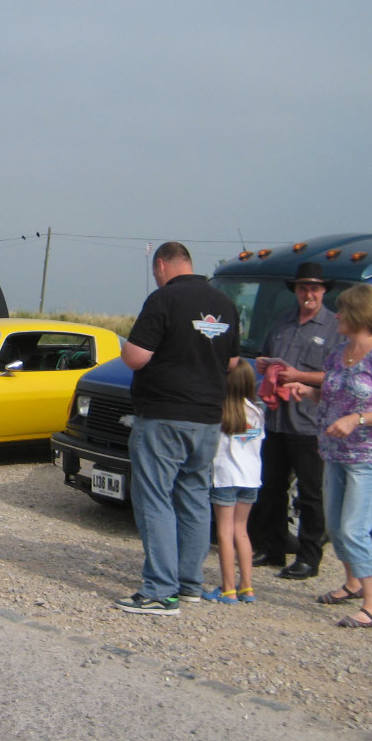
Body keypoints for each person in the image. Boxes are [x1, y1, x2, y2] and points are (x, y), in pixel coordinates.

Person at [115, 242, 241, 616]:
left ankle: (158, 590)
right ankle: (189, 584)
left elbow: (136, 357)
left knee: (154, 499)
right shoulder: (224, 303)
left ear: (161, 266)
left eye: (156, 272)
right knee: (194, 498)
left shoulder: (163, 300)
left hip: (164, 415)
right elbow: (233, 360)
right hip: (207, 419)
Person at [287, 284, 372, 628]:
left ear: (361, 314)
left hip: (371, 455)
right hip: (335, 452)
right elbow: (333, 398)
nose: (336, 316)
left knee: (355, 528)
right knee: (336, 526)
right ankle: (353, 583)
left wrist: (357, 419)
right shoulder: (338, 354)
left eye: (342, 311)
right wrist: (308, 392)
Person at [250, 262, 345, 580]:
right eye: (303, 287)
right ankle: (272, 548)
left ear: (323, 292)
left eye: (314, 288)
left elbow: (336, 376)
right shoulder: (282, 322)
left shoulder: (334, 327)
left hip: (309, 423)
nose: (308, 293)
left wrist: (298, 375)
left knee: (310, 493)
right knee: (271, 488)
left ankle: (308, 557)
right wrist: (266, 366)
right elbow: (266, 354)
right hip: (276, 420)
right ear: (295, 290)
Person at [202, 362, 265, 604]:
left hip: (225, 478)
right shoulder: (257, 412)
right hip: (250, 479)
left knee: (225, 534)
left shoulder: (219, 412)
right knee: (242, 532)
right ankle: (247, 587)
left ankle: (228, 588)